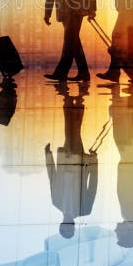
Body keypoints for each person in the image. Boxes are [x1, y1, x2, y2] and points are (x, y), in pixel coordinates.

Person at [44, 83, 98, 238]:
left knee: (71, 132)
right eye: (69, 229)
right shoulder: (85, 209)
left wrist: (48, 156)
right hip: (78, 162)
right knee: (72, 132)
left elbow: (52, 178)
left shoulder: (56, 202)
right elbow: (93, 186)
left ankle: (74, 101)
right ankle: (72, 101)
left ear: (61, 225)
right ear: (73, 227)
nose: (66, 226)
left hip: (65, 160)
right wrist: (94, 162)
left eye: (64, 228)